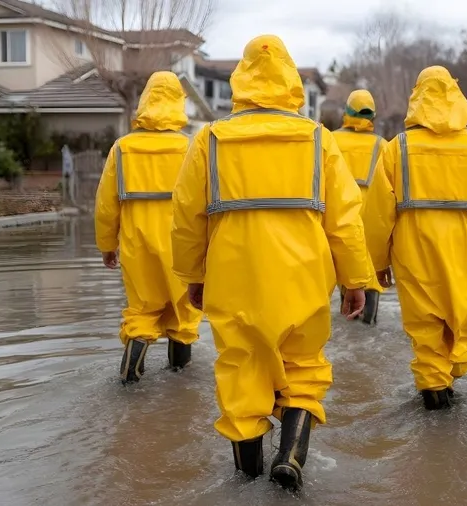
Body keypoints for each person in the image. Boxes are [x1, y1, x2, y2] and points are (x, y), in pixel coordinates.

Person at [170, 34, 372, 490]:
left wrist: (193, 276)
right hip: (304, 277)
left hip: (234, 277)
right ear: (290, 79)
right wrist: (355, 279)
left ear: (241, 77)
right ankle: (292, 457)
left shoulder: (210, 139)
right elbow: (345, 220)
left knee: (241, 371)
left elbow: (186, 218)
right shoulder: (317, 139)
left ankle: (246, 480)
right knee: (304, 367)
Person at [362, 66, 467, 410]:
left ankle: (435, 397)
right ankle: (445, 392)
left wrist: (376, 264)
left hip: (415, 257)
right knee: (465, 322)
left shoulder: (397, 150)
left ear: (416, 97)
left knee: (426, 332)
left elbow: (377, 217)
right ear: (456, 95)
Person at [95, 71, 202, 385]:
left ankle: (129, 379)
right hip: (182, 245)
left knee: (142, 310)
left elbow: (105, 204)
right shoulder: (192, 148)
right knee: (184, 313)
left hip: (136, 244)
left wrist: (106, 245)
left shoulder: (123, 148)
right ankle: (181, 384)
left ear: (145, 101)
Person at [331, 90, 388, 325]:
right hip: (371, 214)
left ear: (346, 112)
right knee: (370, 273)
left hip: (338, 211)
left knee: (345, 270)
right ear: (373, 115)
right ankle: (367, 322)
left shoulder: (329, 139)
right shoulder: (382, 145)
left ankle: (347, 315)